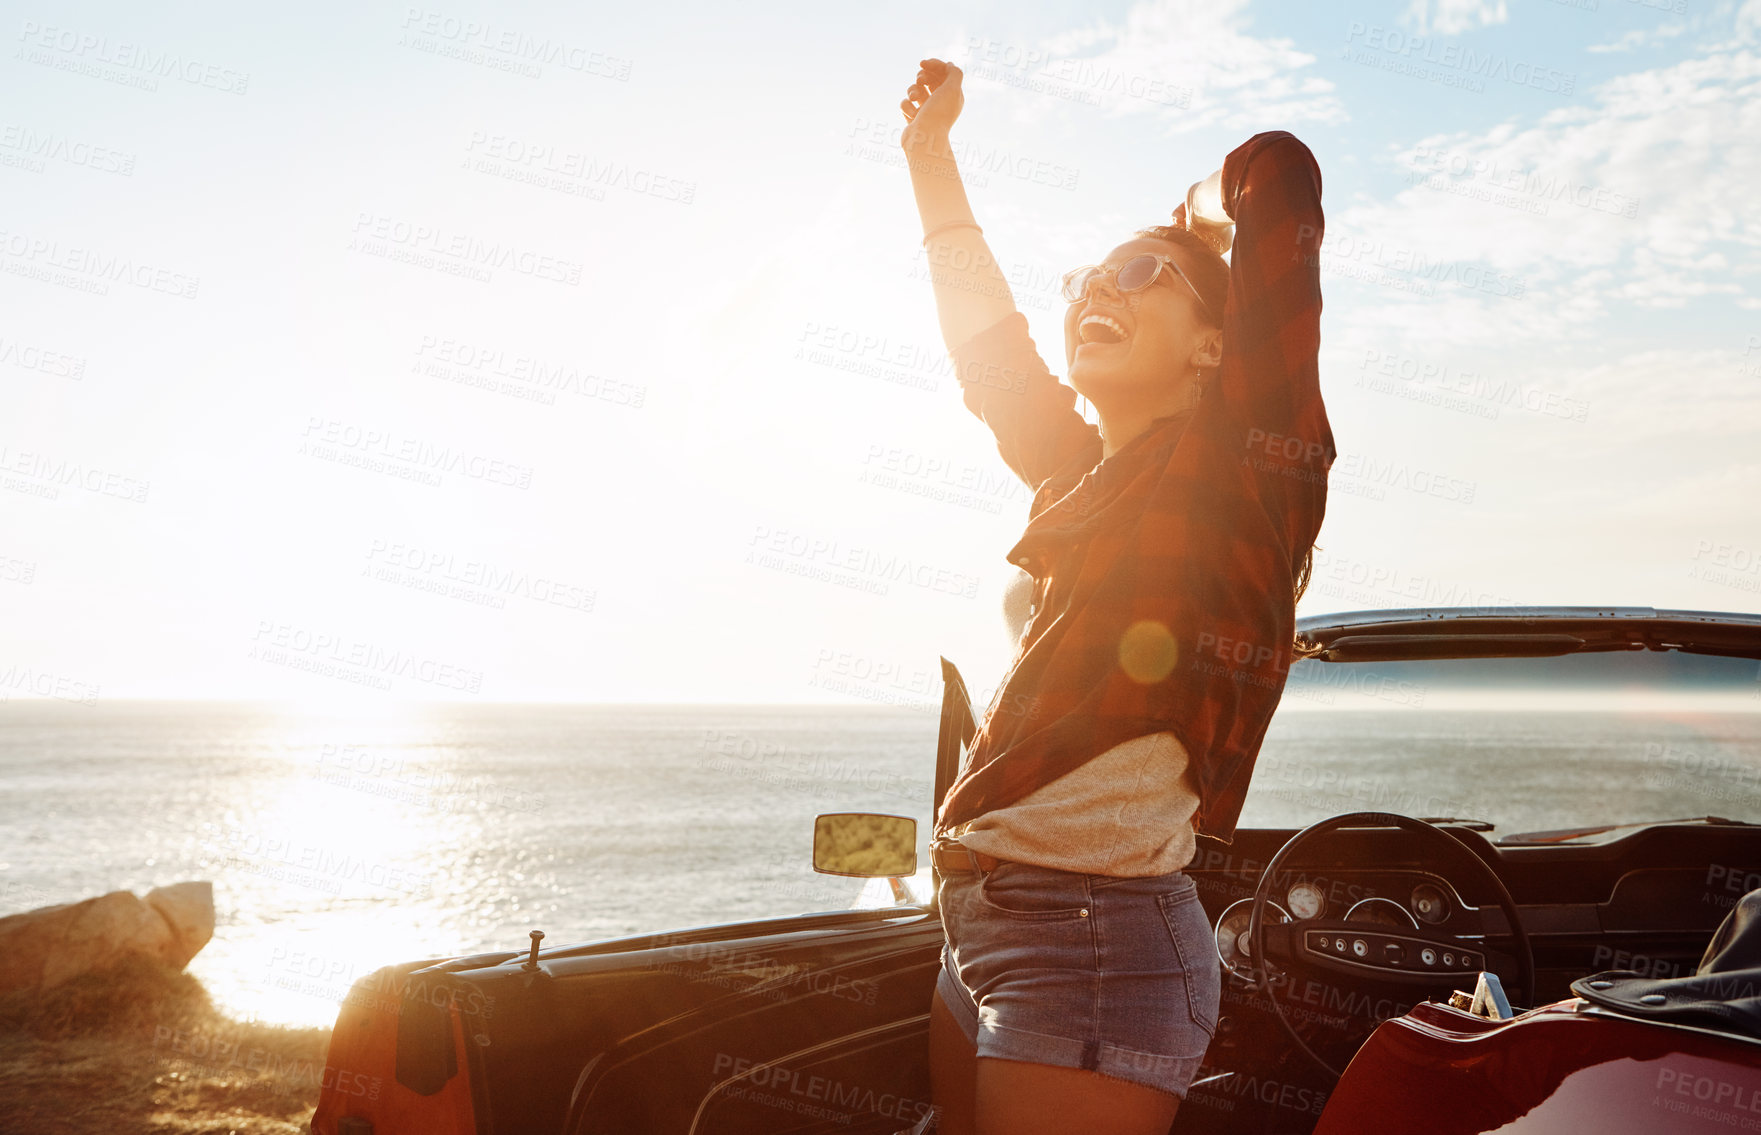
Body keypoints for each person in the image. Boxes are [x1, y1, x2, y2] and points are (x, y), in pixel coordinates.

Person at [898, 58, 1335, 1135]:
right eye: (1085, 280)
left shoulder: (1249, 476)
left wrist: (1185, 221)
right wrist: (930, 155)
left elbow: (1278, 178)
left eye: (1139, 275)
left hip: (1093, 947)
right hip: (987, 920)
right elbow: (985, 344)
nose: (1097, 289)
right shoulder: (1078, 475)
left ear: (1215, 346)